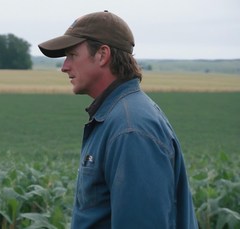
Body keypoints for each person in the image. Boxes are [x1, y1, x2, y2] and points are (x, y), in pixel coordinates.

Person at [38, 10, 198, 228]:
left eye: (72, 55)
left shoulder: (130, 129)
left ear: (102, 55)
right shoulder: (120, 117)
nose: (64, 66)